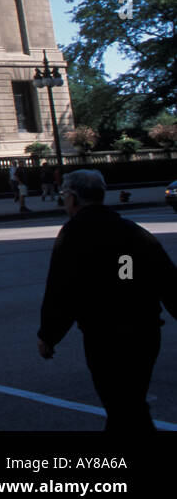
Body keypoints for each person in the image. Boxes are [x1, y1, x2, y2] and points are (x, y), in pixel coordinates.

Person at [37, 169, 177, 431]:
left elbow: (61, 289)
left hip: (105, 337)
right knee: (129, 405)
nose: (63, 201)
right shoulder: (133, 231)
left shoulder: (73, 234)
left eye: (64, 195)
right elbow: (167, 278)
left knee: (123, 407)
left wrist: (48, 335)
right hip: (145, 333)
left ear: (74, 198)